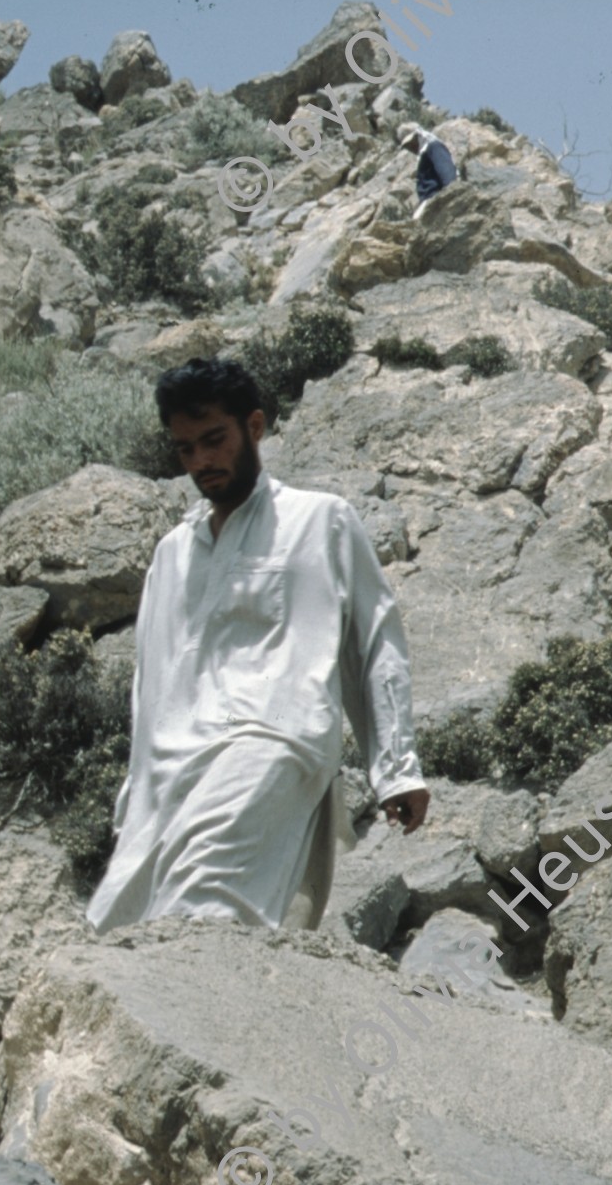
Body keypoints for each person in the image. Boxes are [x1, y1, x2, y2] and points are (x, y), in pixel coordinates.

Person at [85, 358, 431, 936]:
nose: (202, 462)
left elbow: (374, 644)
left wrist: (395, 770)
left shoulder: (320, 521)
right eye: (186, 449)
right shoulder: (172, 552)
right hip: (176, 760)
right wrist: (136, 792)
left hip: (273, 738)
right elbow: (152, 683)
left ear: (255, 427)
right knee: (119, 920)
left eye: (214, 440)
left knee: (204, 894)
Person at [403, 124, 457, 221]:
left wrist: (451, 194)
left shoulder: (434, 147)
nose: (411, 147)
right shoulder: (425, 153)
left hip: (435, 199)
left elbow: (447, 172)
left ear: (419, 136)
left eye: (412, 142)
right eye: (407, 146)